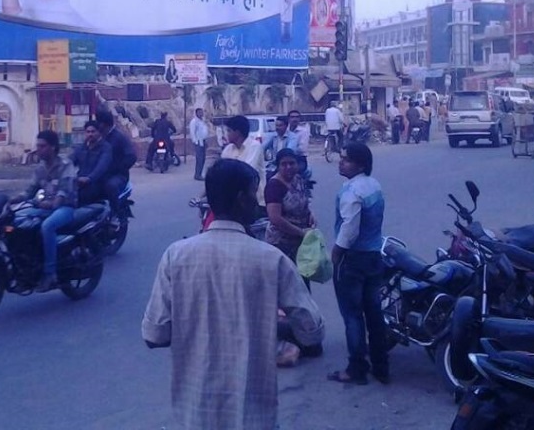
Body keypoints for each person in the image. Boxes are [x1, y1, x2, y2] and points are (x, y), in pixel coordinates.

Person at [142, 158, 324, 430]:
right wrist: (273, 323)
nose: (257, 201)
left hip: (195, 412)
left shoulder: (176, 256)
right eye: (254, 193)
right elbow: (312, 331)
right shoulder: (270, 260)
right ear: (241, 199)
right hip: (253, 413)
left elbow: (154, 335)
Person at [328, 141, 388, 386]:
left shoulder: (352, 192)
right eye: (342, 158)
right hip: (374, 256)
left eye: (347, 159)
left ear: (360, 164)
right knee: (374, 313)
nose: (341, 162)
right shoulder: (374, 186)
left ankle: (356, 369)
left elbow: (349, 230)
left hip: (353, 259)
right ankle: (381, 366)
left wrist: (337, 253)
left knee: (352, 315)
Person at [14, 131, 77, 293]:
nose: (38, 149)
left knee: (47, 227)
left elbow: (62, 194)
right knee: (18, 221)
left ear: (53, 147)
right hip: (44, 207)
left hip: (66, 208)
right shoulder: (40, 169)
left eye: (42, 146)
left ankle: (50, 274)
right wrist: (10, 201)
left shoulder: (65, 165)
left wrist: (49, 204)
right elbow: (29, 191)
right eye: (38, 146)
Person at [264, 148, 316, 269]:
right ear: (278, 166)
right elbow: (275, 218)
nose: (288, 167)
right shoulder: (274, 186)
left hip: (300, 241)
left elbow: (304, 200)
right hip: (281, 243)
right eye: (284, 164)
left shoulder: (298, 179)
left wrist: (311, 215)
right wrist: (300, 232)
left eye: (292, 163)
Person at [94, 109, 137, 210]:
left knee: (110, 186)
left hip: (118, 176)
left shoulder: (120, 137)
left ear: (104, 124)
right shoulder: (97, 137)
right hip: (99, 174)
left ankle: (116, 213)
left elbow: (131, 157)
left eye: (98, 122)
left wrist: (117, 168)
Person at [73, 121, 113, 205]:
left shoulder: (106, 148)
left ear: (99, 133)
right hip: (80, 182)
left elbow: (101, 166)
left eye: (93, 131)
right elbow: (69, 161)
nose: (90, 134)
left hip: (97, 182)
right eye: (88, 132)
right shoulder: (81, 148)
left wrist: (90, 178)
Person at [220, 115, 265, 180]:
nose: (226, 134)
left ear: (238, 133)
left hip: (252, 188)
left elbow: (246, 171)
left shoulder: (255, 146)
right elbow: (221, 170)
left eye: (229, 131)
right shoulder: (228, 149)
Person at [188, 108, 209, 181]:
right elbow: (192, 133)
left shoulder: (202, 121)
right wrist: (195, 142)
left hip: (203, 141)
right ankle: (197, 175)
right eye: (200, 112)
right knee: (199, 159)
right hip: (198, 142)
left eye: (202, 112)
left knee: (203, 159)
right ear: (196, 113)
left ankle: (199, 173)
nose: (201, 114)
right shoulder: (194, 122)